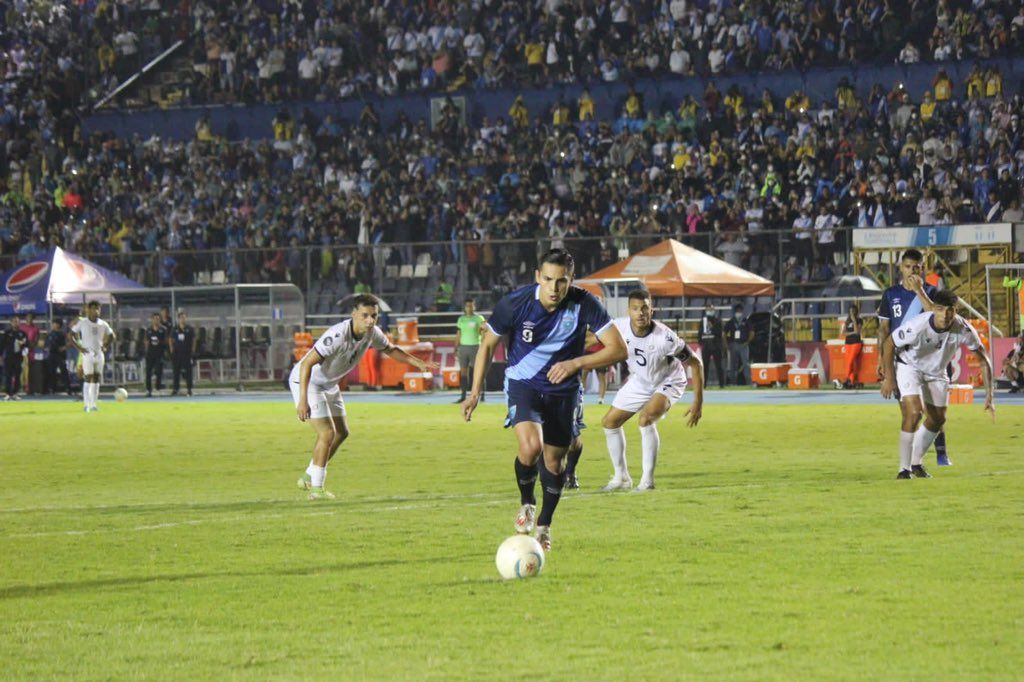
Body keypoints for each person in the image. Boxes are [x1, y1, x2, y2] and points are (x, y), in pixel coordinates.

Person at [461, 249, 626, 551]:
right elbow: (486, 346)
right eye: (548, 279)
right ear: (538, 277)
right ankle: (527, 502)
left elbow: (618, 349)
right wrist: (474, 394)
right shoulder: (515, 303)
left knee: (554, 462)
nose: (554, 288)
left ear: (571, 280)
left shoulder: (585, 303)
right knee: (530, 447)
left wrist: (576, 363)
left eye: (561, 281)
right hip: (522, 384)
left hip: (562, 391)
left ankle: (544, 524)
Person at [292, 294, 438, 500]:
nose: (370, 320)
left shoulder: (372, 333)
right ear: (354, 315)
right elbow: (306, 364)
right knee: (326, 434)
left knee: (342, 433)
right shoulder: (337, 335)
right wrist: (303, 400)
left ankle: (309, 474)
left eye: (374, 316)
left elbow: (391, 349)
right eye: (365, 316)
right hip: (308, 382)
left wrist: (418, 363)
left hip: (329, 383)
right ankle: (316, 489)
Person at [881, 289, 994, 478]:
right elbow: (889, 343)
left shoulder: (964, 328)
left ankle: (916, 462)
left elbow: (983, 360)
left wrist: (990, 394)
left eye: (950, 310)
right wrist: (889, 378)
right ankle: (904, 469)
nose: (946, 314)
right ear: (934, 309)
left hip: (937, 372)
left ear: (956, 311)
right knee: (914, 412)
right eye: (941, 309)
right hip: (910, 366)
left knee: (938, 419)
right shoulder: (917, 326)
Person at [600, 290, 704, 491]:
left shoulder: (665, 338)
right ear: (628, 311)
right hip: (641, 380)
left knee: (645, 418)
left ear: (652, 310)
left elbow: (696, 364)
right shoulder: (618, 328)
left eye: (645, 308)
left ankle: (647, 481)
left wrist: (698, 402)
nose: (640, 313)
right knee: (609, 422)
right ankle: (621, 478)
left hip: (669, 380)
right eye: (635, 309)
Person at [876, 249, 952, 466]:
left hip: (930, 359)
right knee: (909, 411)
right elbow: (883, 330)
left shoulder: (931, 292)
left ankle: (941, 452)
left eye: (917, 267)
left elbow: (935, 316)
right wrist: (881, 361)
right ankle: (913, 460)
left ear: (922, 268)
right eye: (908, 267)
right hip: (902, 360)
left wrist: (920, 291)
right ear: (901, 267)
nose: (912, 271)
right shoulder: (890, 294)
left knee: (933, 411)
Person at [69, 302, 115, 412]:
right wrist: (79, 348)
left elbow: (112, 335)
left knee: (97, 379)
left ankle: (94, 404)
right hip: (87, 354)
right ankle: (86, 405)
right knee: (88, 378)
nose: (96, 311)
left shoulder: (103, 323)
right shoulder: (83, 323)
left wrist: (106, 346)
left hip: (99, 354)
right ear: (88, 310)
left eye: (98, 309)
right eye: (94, 309)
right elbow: (70, 335)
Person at [454, 299, 486, 403]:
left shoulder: (479, 318)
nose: (469, 308)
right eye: (467, 306)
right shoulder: (461, 319)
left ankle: (482, 395)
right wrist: (456, 347)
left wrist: (483, 345)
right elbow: (458, 334)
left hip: (475, 347)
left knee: (478, 372)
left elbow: (484, 333)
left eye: (471, 306)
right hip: (463, 348)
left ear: (474, 306)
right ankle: (463, 395)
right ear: (465, 307)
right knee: (463, 372)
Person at [169, 311, 197, 396]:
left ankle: (189, 389)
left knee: (188, 372)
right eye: (181, 318)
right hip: (177, 353)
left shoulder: (190, 329)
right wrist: (171, 349)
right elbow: (170, 339)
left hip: (187, 353)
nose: (183, 319)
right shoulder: (175, 329)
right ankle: (175, 389)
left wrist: (192, 350)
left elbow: (194, 340)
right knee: (176, 372)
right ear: (178, 319)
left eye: (184, 317)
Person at [836, 304, 864, 389]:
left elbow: (857, 332)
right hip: (848, 343)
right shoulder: (847, 321)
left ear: (856, 312)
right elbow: (843, 333)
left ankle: (845, 379)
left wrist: (854, 320)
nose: (851, 313)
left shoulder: (859, 320)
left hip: (856, 343)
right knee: (849, 363)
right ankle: (851, 382)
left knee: (850, 362)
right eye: (850, 311)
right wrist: (852, 333)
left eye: (853, 311)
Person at [724, 304, 753, 386]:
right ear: (734, 312)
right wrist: (726, 345)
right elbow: (724, 334)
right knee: (733, 365)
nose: (738, 313)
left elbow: (752, 332)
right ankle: (733, 383)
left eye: (740, 311)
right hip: (733, 344)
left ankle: (749, 382)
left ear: (742, 312)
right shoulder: (731, 322)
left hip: (743, 345)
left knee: (746, 364)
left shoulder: (746, 321)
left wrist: (748, 342)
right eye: (737, 311)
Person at [2, 316, 29, 400]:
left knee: (17, 375)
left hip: (18, 357)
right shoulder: (6, 333)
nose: (15, 323)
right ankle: (8, 393)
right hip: (8, 357)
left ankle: (15, 393)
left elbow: (27, 344)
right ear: (11, 323)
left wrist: (23, 344)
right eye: (14, 321)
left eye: (17, 321)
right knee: (8, 376)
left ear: (19, 322)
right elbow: (2, 345)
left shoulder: (22, 333)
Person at [699, 302, 725, 388]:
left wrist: (712, 326)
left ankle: (722, 384)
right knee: (705, 366)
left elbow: (719, 333)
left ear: (713, 310)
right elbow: (700, 332)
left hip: (716, 345)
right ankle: (704, 384)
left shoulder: (718, 320)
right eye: (708, 309)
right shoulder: (703, 320)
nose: (709, 310)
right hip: (706, 345)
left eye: (711, 309)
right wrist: (701, 342)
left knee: (719, 366)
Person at [144, 313, 168, 396]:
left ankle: (158, 388)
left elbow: (166, 341)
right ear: (152, 320)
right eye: (154, 319)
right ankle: (148, 389)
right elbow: (146, 341)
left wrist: (160, 343)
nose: (156, 320)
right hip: (150, 353)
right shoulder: (149, 330)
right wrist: (147, 351)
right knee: (148, 372)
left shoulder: (163, 329)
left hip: (159, 353)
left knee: (158, 372)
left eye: (158, 319)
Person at [45, 319, 71, 395]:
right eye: (53, 323)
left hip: (60, 355)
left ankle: (68, 388)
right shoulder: (50, 334)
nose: (53, 325)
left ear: (58, 325)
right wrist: (46, 348)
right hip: (51, 354)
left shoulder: (62, 334)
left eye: (55, 323)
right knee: (51, 372)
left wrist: (64, 347)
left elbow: (69, 342)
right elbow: (46, 344)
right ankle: (52, 388)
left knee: (64, 371)